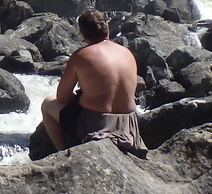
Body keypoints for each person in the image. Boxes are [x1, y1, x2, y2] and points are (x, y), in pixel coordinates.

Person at [40, 9, 147, 158]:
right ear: (107, 27)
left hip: (97, 125)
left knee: (47, 104)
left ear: (82, 33)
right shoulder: (127, 52)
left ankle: (64, 155)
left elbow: (62, 97)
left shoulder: (81, 56)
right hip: (129, 125)